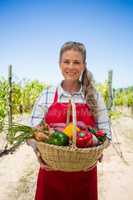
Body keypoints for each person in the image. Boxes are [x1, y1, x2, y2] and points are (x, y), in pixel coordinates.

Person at [27, 41, 112, 200]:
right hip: (51, 170)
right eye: (66, 61)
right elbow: (32, 130)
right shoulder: (47, 94)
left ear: (84, 65)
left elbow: (106, 131)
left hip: (84, 171)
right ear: (59, 64)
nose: (71, 67)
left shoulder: (94, 96)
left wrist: (98, 152)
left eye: (76, 62)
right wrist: (38, 152)